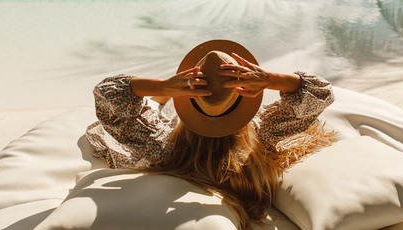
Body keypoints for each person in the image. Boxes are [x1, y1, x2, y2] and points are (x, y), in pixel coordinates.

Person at [85, 39, 336, 229]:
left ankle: (173, 94)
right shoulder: (260, 137)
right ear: (245, 101)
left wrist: (164, 86)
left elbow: (108, 93)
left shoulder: (161, 144)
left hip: (172, 112)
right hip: (200, 114)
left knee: (161, 101)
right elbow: (321, 92)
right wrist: (269, 79)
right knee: (165, 101)